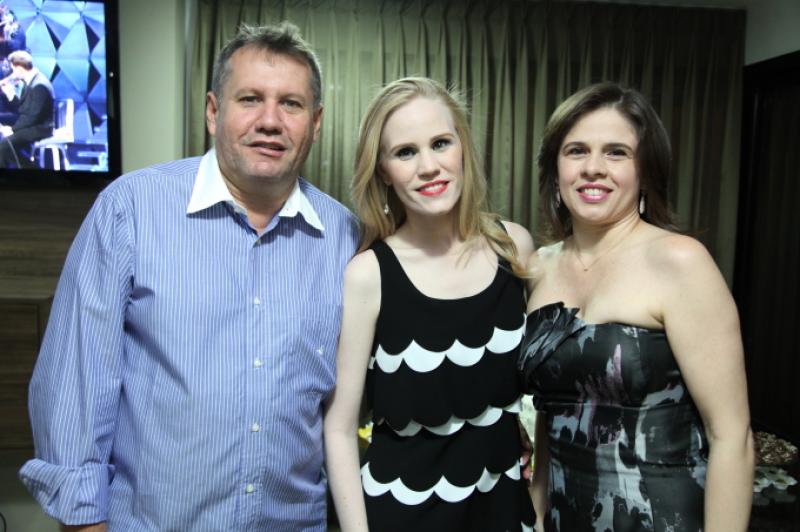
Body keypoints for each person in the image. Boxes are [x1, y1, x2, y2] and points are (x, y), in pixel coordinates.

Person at [19, 22, 358, 531]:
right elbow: (76, 385)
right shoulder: (131, 210)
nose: (270, 121)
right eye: (250, 99)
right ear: (213, 111)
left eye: (291, 104)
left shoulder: (344, 237)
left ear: (316, 123)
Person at [518, 82, 754, 531]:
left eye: (616, 152)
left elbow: (731, 437)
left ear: (645, 171)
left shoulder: (680, 262)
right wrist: (537, 510)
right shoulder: (539, 268)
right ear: (555, 169)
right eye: (576, 151)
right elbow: (555, 410)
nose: (593, 168)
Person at [324, 77, 536, 531]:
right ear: (383, 171)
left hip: (504, 512)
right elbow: (340, 429)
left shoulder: (514, 247)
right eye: (405, 152)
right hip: (403, 515)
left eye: (441, 143)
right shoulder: (368, 275)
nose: (429, 167)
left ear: (463, 148)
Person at [0, 49, 53, 168]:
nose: (13, 74)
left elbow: (32, 117)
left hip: (40, 128)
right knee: (5, 146)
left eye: (13, 70)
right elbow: (23, 108)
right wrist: (10, 95)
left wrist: (13, 129)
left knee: (4, 145)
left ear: (19, 68)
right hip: (34, 124)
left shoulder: (39, 85)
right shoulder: (31, 81)